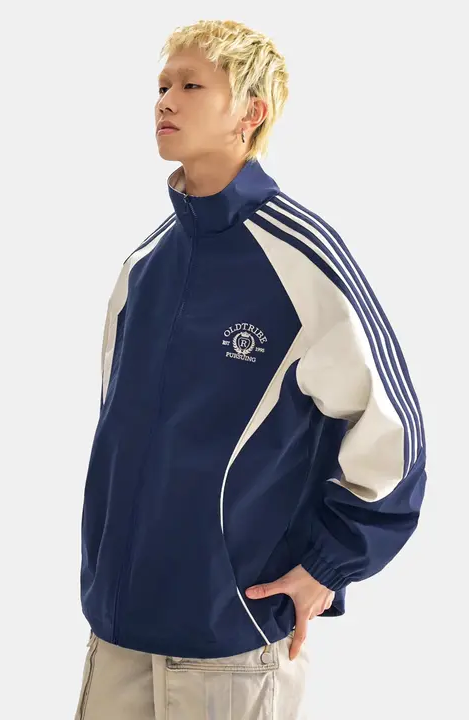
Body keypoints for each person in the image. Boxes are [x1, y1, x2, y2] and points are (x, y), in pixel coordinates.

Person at [74, 18, 427, 720]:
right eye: (162, 86)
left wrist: (326, 567)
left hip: (231, 644)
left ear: (251, 112)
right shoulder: (144, 267)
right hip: (116, 636)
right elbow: (116, 433)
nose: (165, 101)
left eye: (191, 86)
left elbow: (395, 436)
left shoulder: (302, 258)